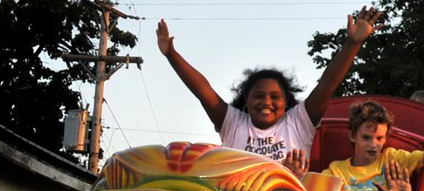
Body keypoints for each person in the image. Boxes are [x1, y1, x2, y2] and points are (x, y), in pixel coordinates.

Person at [157, 7, 382, 166]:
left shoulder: (298, 121)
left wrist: (353, 43)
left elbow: (327, 84)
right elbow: (202, 90)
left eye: (275, 97)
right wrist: (171, 54)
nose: (266, 102)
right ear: (246, 100)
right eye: (259, 96)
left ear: (286, 101)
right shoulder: (233, 123)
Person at [326, 99, 424, 191]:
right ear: (352, 136)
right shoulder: (337, 171)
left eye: (379, 138)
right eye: (366, 137)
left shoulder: (392, 159)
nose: (373, 144)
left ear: (386, 138)